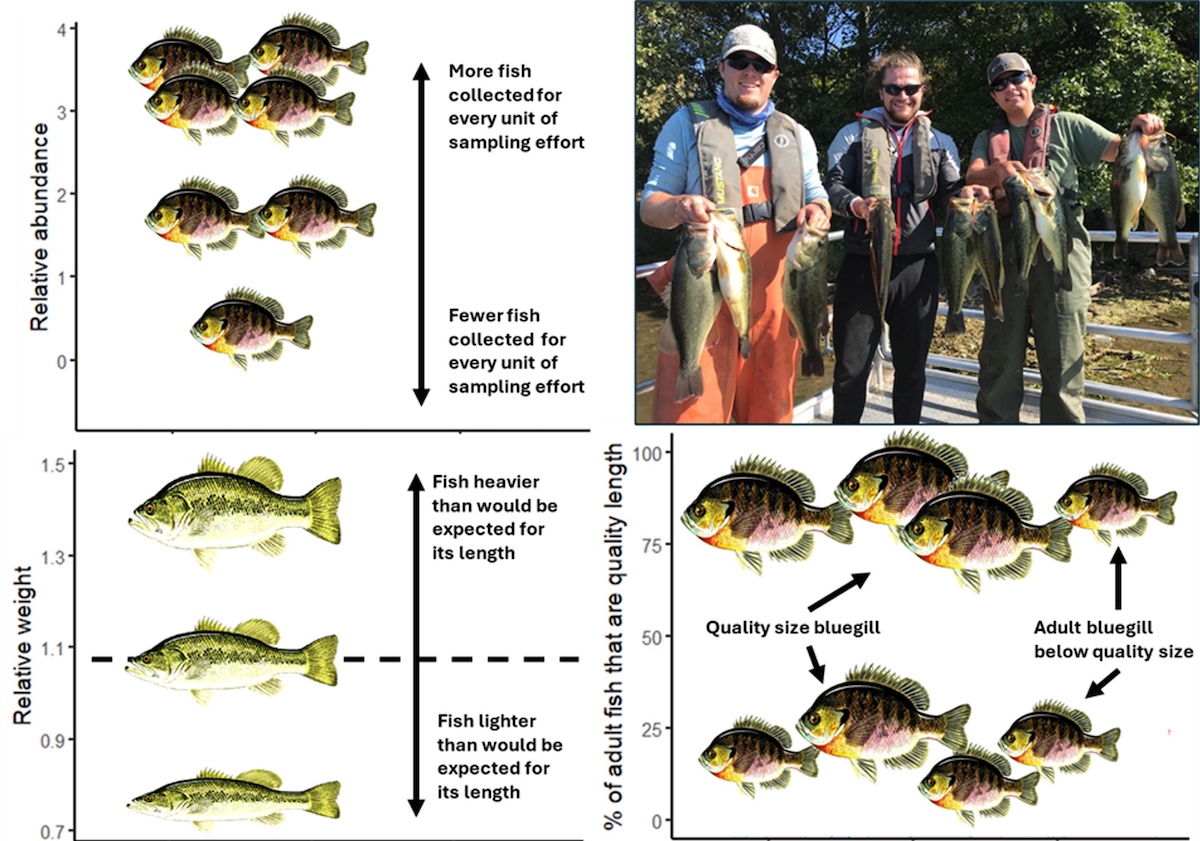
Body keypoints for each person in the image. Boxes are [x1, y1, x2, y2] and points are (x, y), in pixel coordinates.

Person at [640, 24, 831, 424]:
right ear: (721, 68)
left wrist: (819, 211)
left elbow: (818, 196)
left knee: (769, 413)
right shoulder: (686, 124)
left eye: (760, 64)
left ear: (775, 74)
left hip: (775, 296)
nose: (750, 71)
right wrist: (678, 206)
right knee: (691, 415)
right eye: (739, 61)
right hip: (704, 288)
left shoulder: (797, 135)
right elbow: (649, 207)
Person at [965, 52, 1163, 423]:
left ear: (1033, 80)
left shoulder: (1068, 125)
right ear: (993, 96)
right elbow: (973, 178)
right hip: (1008, 254)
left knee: (1063, 358)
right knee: (999, 359)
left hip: (1063, 255)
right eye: (1000, 84)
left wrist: (1141, 131)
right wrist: (1001, 171)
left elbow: (1122, 153)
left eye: (1017, 78)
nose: (1010, 88)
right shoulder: (986, 139)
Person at [825, 51, 989, 424]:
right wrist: (855, 205)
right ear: (880, 92)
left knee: (912, 370)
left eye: (910, 88)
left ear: (923, 90)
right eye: (893, 88)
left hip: (918, 269)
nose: (903, 95)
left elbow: (949, 192)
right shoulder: (851, 136)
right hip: (861, 264)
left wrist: (963, 198)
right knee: (850, 372)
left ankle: (906, 451)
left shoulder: (941, 141)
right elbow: (832, 187)